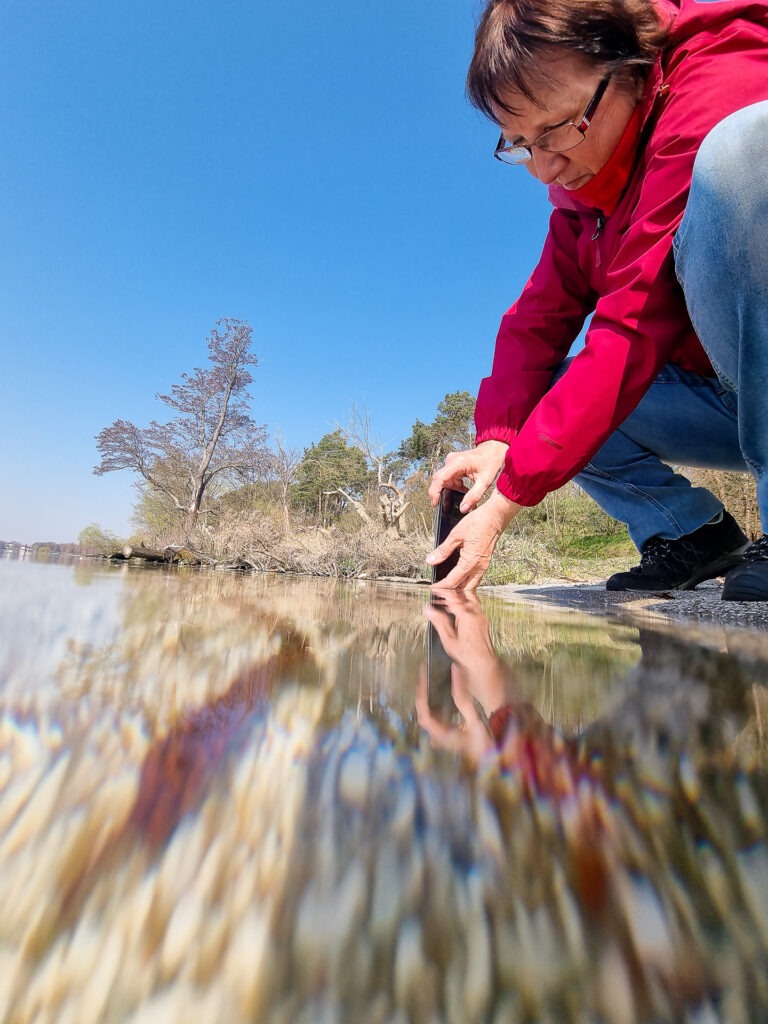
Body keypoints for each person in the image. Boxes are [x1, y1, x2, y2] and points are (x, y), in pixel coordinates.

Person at [427, 0, 768, 599]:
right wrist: (498, 441)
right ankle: (690, 535)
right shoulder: (585, 200)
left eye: (557, 130)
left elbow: (632, 323)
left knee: (744, 152)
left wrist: (508, 501)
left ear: (631, 66)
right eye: (520, 143)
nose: (542, 167)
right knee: (541, 403)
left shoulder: (718, 86)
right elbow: (537, 318)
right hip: (735, 400)